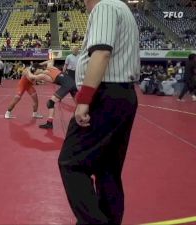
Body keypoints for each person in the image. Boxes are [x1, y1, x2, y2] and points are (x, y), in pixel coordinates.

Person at [58, 0, 140, 224]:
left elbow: (102, 53)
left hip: (104, 94)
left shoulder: (105, 7)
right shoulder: (123, 9)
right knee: (107, 171)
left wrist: (84, 99)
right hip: (124, 94)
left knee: (71, 163)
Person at [26, 60, 77, 129]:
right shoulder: (51, 67)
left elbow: (32, 77)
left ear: (37, 69)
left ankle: (49, 123)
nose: (35, 73)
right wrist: (39, 64)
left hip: (67, 86)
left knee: (50, 103)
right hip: (73, 83)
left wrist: (28, 70)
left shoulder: (43, 75)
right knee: (79, 104)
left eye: (34, 72)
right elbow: (50, 60)